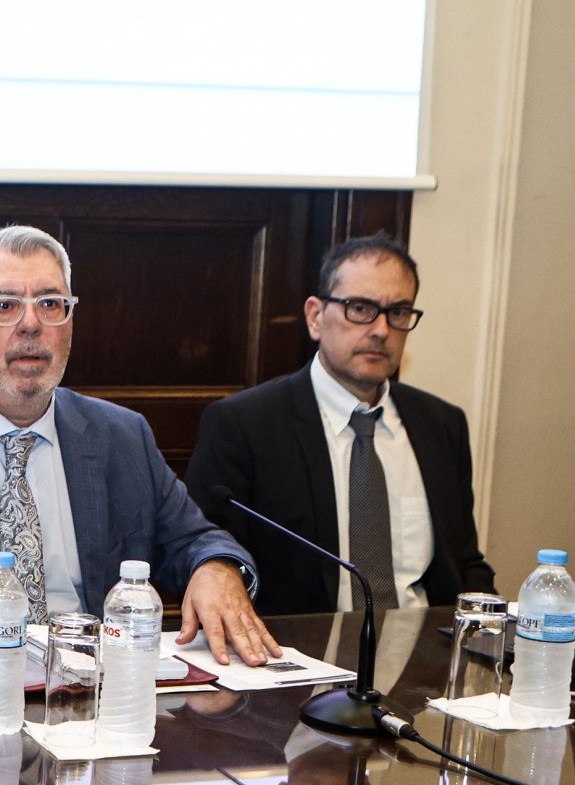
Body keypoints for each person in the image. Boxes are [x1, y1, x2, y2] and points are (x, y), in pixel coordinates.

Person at [0, 225, 276, 665]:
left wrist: (216, 568)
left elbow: (194, 539)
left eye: (50, 304)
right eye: (5, 306)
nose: (31, 324)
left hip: (95, 683)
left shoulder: (122, 436)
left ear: (70, 321)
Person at [186, 234, 494, 615]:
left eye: (398, 312)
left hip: (425, 643)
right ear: (315, 317)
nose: (381, 329)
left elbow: (465, 562)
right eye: (360, 308)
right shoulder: (245, 425)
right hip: (297, 646)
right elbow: (206, 559)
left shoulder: (442, 426)